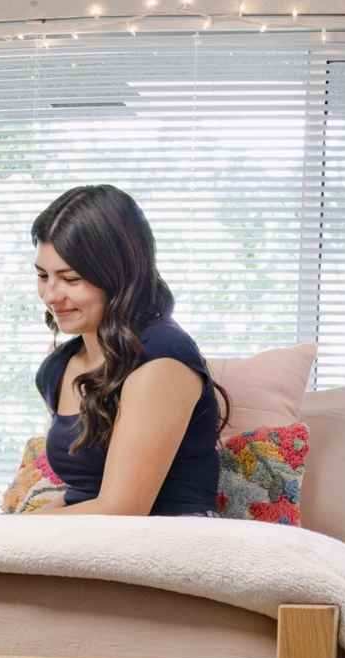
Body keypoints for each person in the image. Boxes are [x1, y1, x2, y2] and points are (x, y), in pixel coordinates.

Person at [24, 184, 226, 517]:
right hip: (91, 542)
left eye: (70, 279)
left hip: (164, 544)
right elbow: (82, 495)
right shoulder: (59, 368)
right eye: (42, 276)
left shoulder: (163, 359)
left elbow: (122, 510)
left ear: (118, 278)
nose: (50, 295)